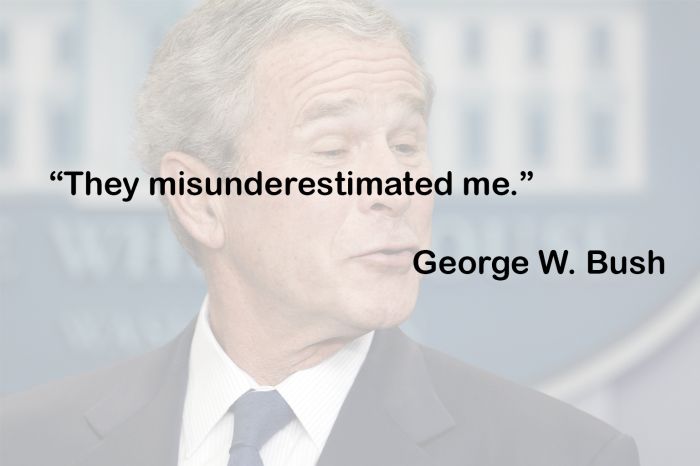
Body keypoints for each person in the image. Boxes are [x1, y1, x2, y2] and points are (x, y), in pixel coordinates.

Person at [0, 1, 639, 465]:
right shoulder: (28, 445)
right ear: (199, 198)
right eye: (334, 149)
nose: (397, 186)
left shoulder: (563, 454)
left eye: (406, 144)